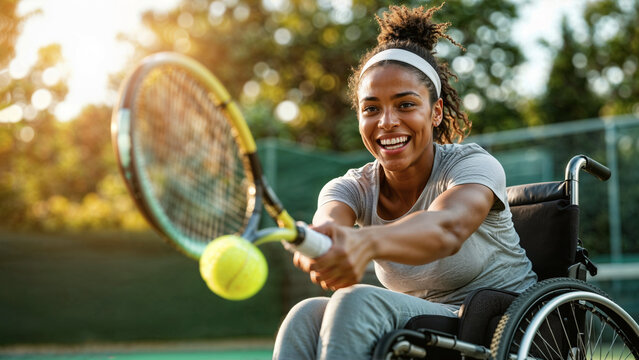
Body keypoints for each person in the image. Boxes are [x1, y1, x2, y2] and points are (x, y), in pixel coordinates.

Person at [273, 4, 537, 360]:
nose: (386, 122)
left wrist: (363, 242)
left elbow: (447, 228)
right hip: (425, 326)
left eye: (405, 105)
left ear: (436, 112)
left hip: (500, 323)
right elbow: (329, 225)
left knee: (357, 301)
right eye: (371, 108)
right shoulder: (351, 187)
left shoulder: (473, 165)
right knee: (304, 316)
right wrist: (319, 248)